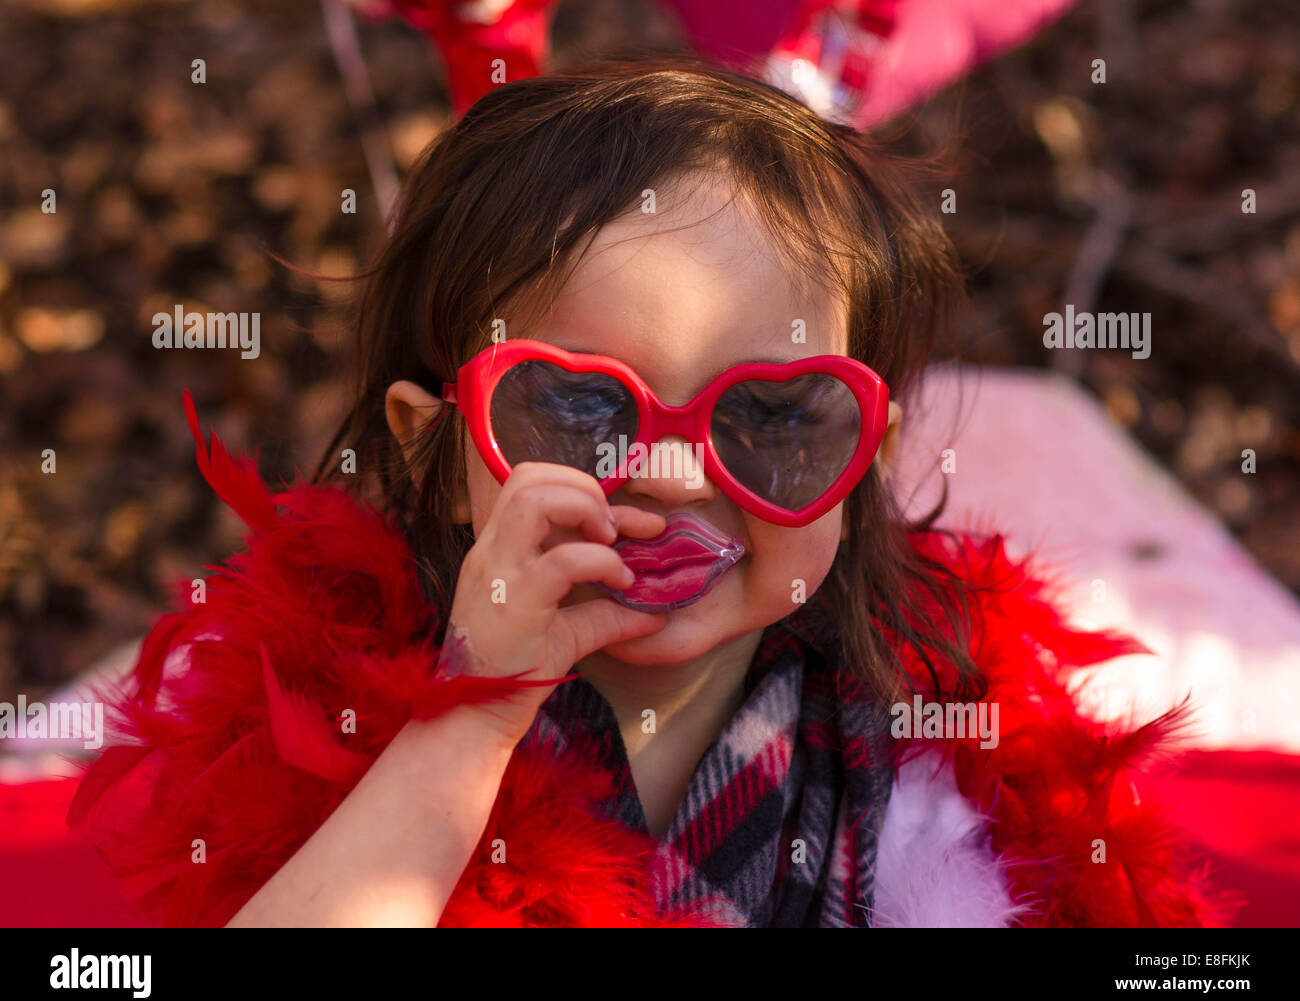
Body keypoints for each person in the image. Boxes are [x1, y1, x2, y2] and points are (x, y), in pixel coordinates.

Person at [69, 57, 1234, 927]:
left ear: (861, 460)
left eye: (774, 416)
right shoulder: (342, 731)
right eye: (577, 410)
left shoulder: (934, 745)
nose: (675, 476)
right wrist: (472, 712)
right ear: (437, 452)